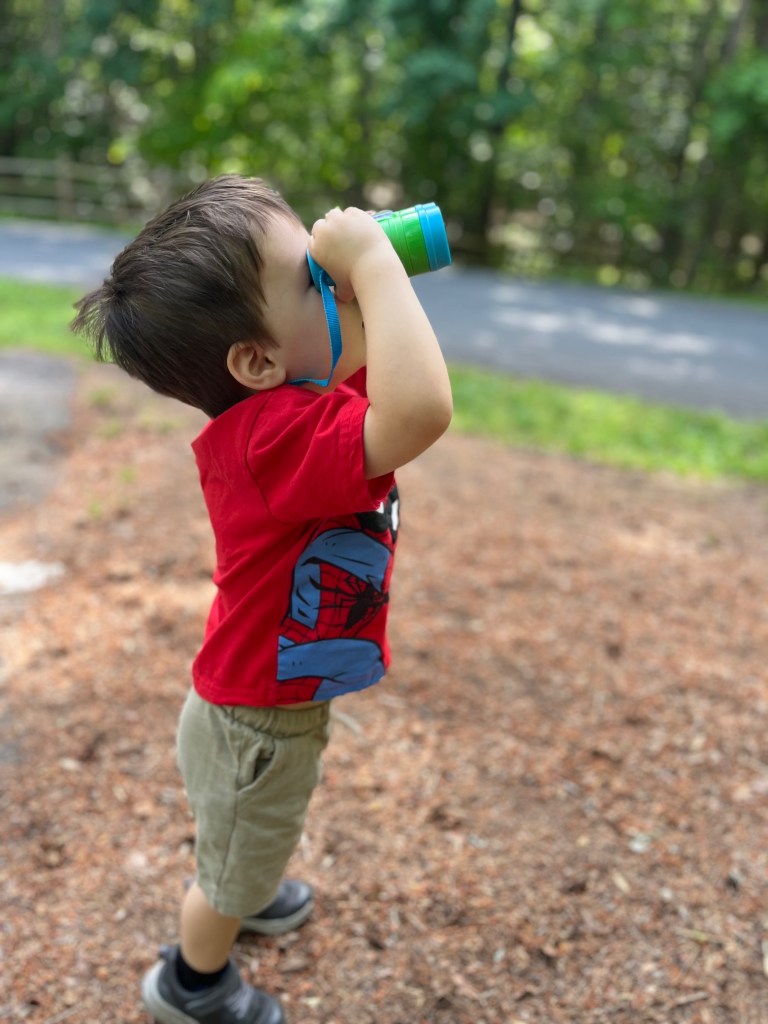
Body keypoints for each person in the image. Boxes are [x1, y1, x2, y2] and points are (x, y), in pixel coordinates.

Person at [71, 174, 452, 1024]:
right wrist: (380, 267)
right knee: (228, 870)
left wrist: (356, 276)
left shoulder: (304, 397)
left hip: (263, 705)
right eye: (314, 278)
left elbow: (379, 366)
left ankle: (255, 866)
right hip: (255, 721)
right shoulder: (274, 439)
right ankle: (193, 983)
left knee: (256, 823)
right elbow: (423, 409)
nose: (340, 279)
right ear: (256, 361)